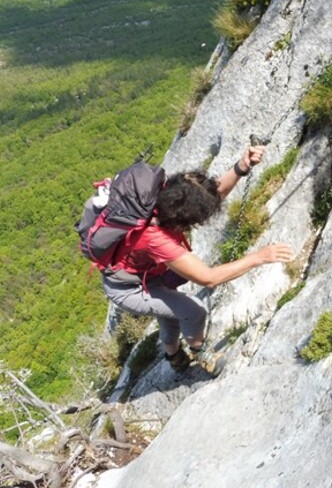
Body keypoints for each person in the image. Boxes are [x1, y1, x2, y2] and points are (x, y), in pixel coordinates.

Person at [102, 145, 293, 374]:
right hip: (129, 289)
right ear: (186, 218)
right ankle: (199, 351)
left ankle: (173, 355)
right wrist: (259, 257)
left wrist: (241, 167)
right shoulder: (154, 238)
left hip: (147, 272)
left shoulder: (165, 199)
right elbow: (209, 279)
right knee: (194, 311)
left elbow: (208, 198)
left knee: (171, 312)